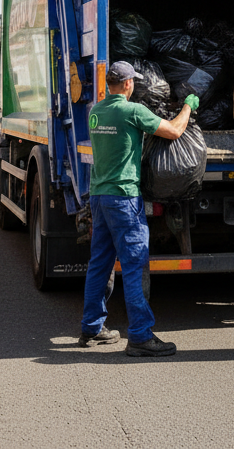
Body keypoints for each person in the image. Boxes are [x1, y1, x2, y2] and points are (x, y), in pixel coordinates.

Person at [80, 60, 197, 357]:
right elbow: (173, 131)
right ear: (129, 84)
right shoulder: (132, 111)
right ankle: (141, 336)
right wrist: (187, 107)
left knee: (100, 264)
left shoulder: (96, 112)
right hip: (124, 198)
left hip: (100, 195)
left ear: (110, 84)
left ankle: (93, 327)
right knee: (134, 266)